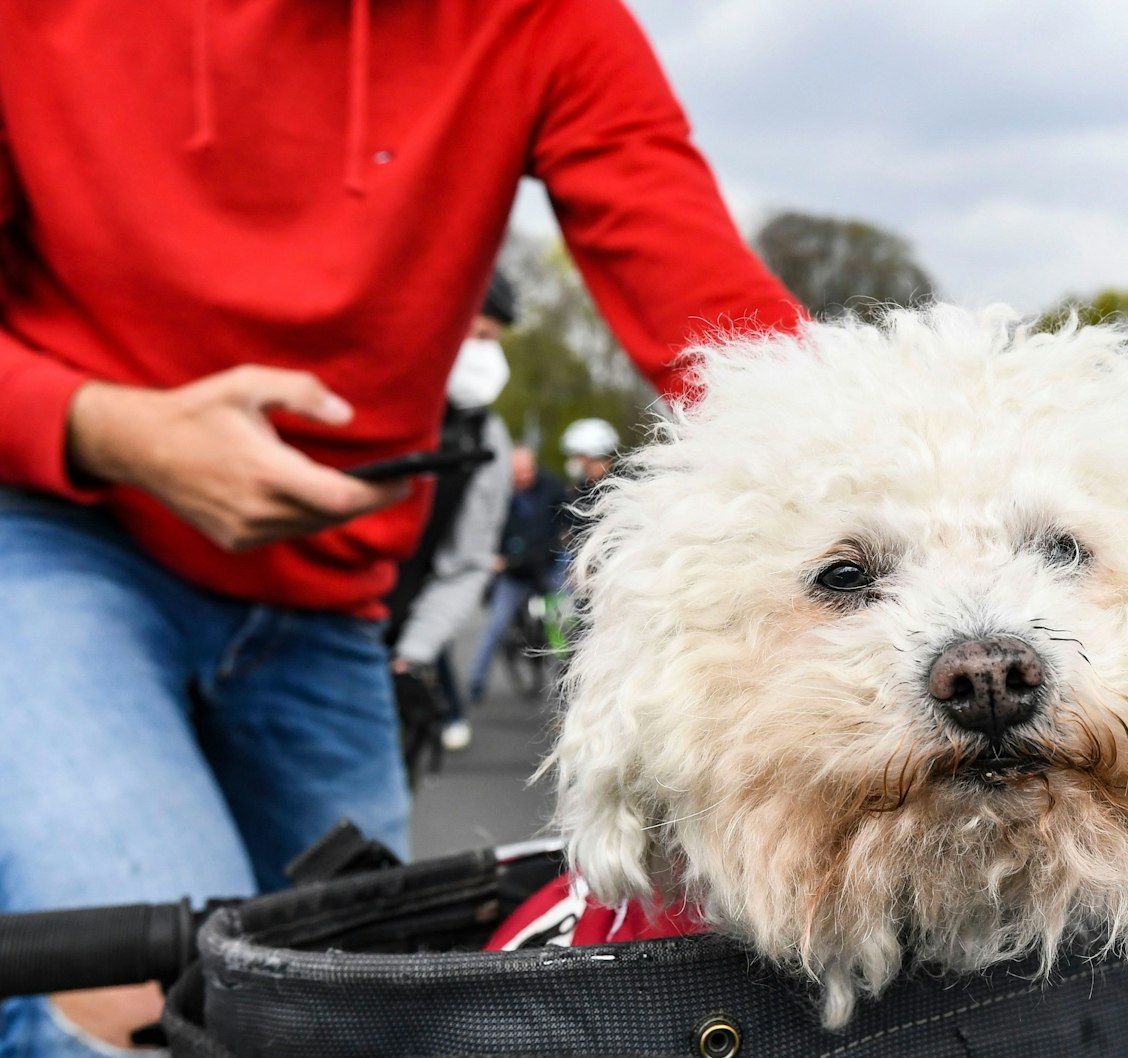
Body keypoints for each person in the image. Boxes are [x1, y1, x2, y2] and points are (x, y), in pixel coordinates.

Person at [0, 5, 800, 1052]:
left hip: (328, 603)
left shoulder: (549, 23)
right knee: (136, 1001)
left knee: (372, 1012)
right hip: (61, 533)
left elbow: (726, 337)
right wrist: (105, 426)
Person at [385, 275, 521, 753]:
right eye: (475, 336)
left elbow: (466, 562)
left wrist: (410, 658)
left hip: (379, 640)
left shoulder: (484, 437)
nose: (483, 355)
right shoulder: (369, 389)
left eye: (492, 342)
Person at [465, 448, 570, 709]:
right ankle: (475, 683)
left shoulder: (551, 487)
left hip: (547, 565)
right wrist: (497, 557)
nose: (523, 478)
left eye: (527, 472)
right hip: (513, 571)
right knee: (496, 625)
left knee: (562, 623)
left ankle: (568, 681)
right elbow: (486, 528)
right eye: (517, 474)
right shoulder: (498, 493)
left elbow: (566, 520)